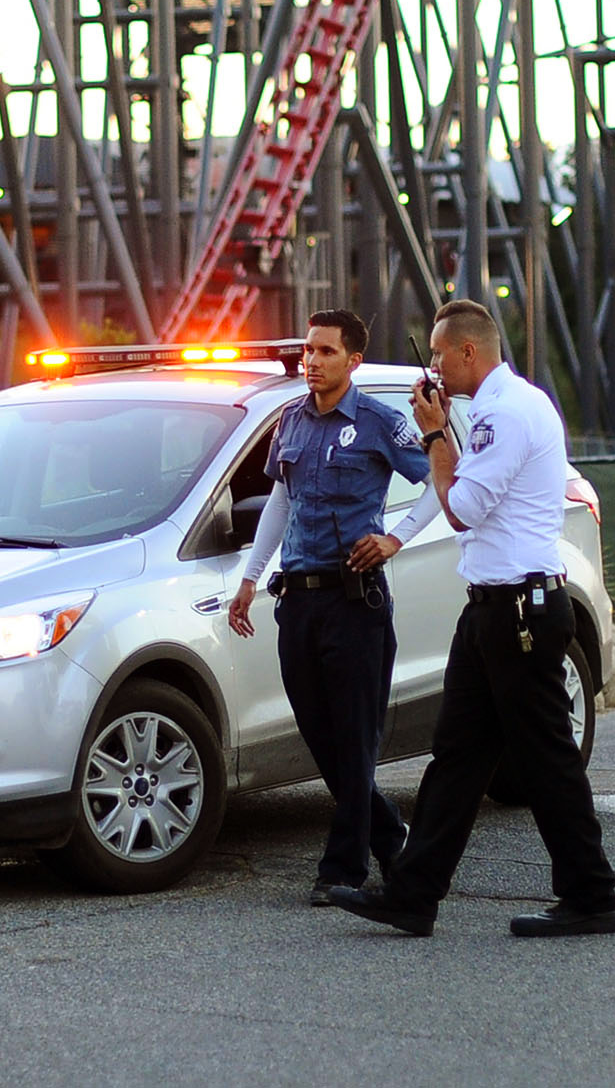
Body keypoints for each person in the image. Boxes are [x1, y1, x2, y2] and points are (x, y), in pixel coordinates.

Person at [329, 298, 615, 939]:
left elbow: (461, 507)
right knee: (458, 757)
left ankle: (592, 896)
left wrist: (436, 434)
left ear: (469, 353)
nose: (432, 365)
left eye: (438, 353)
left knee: (546, 760)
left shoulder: (502, 413)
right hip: (493, 608)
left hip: (518, 610)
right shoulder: (507, 406)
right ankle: (413, 893)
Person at [225, 309, 433, 905]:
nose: (312, 361)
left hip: (355, 603)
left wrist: (395, 538)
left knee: (354, 738)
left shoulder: (378, 422)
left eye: (325, 352)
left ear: (353, 361)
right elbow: (280, 501)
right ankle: (395, 844)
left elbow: (441, 483)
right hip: (299, 602)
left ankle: (342, 868)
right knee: (320, 734)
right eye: (309, 351)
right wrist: (249, 578)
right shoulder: (290, 419)